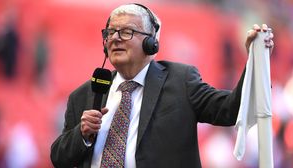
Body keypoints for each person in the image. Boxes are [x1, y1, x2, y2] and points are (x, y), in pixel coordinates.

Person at [50, 3, 274, 168]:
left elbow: (231, 110)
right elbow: (59, 157)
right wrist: (82, 134)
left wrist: (256, 61)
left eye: (126, 32)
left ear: (151, 43)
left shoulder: (181, 80)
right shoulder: (84, 94)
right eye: (110, 32)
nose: (115, 38)